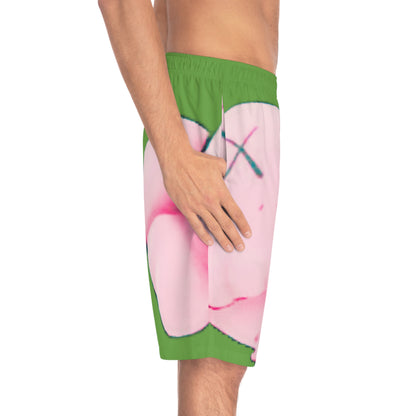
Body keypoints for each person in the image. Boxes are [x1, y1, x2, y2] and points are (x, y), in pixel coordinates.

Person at [98, 0, 280, 414]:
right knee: (213, 358)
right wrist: (174, 154)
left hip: (247, 97)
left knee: (225, 361)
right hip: (211, 102)